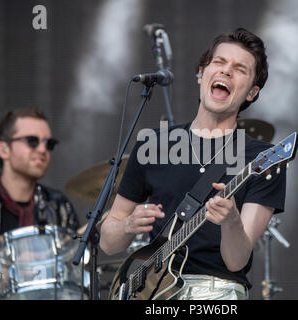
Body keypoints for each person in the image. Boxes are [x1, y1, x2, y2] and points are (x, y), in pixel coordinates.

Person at [100, 27, 287, 300]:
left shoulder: (263, 159)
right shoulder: (153, 145)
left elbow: (236, 261)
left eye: (240, 69)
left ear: (251, 92)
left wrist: (231, 220)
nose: (225, 71)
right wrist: (128, 225)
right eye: (219, 62)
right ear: (201, 73)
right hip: (154, 289)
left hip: (217, 292)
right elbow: (107, 242)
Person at [0, 108, 79, 292]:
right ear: (3, 149)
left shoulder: (59, 206)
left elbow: (80, 272)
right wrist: (14, 270)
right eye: (32, 141)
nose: (43, 150)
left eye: (48, 144)